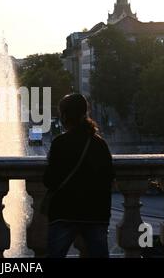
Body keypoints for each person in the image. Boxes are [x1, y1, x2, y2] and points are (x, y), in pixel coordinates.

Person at [43, 93, 114, 258]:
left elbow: (50, 181)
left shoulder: (60, 143)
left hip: (64, 212)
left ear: (65, 116)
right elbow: (109, 177)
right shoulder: (99, 144)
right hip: (96, 214)